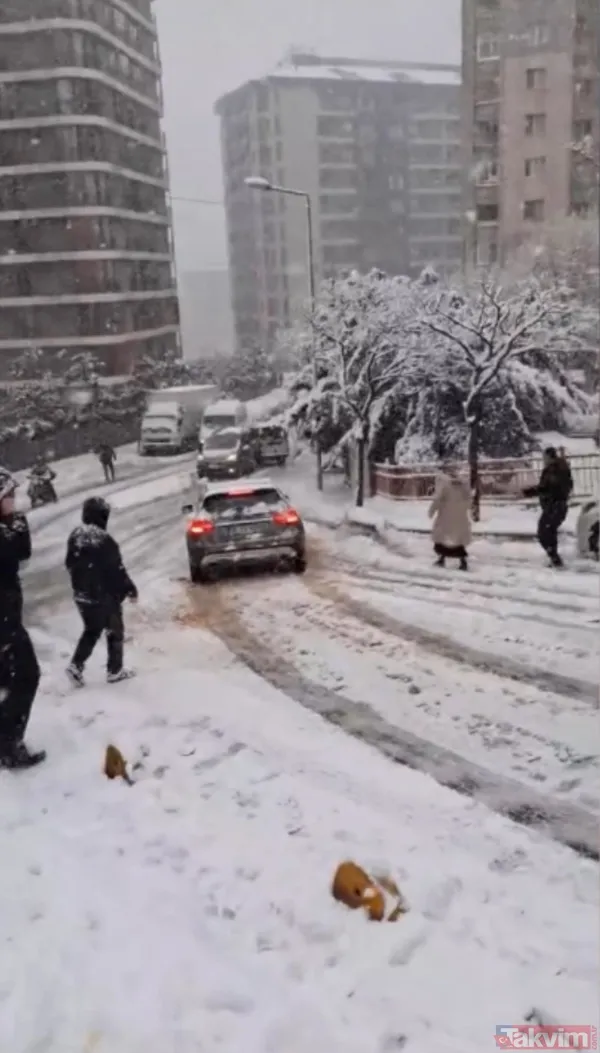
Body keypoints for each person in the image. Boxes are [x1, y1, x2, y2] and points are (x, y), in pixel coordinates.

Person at [65, 496, 138, 686]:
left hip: (82, 595)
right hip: (103, 595)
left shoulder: (75, 536)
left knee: (91, 630)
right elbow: (116, 569)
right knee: (114, 631)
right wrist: (129, 588)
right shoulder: (104, 540)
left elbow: (69, 563)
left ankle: (76, 664)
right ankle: (115, 670)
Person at [0, 467, 45, 769]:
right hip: (3, 625)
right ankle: (7, 743)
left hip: (7, 618)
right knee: (27, 675)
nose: (14, 501)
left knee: (10, 679)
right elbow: (19, 549)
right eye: (9, 496)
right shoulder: (5, 532)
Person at [522, 446, 571, 568]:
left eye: (544, 457)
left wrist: (528, 492)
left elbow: (546, 488)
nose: (543, 460)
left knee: (543, 532)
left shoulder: (552, 470)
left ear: (549, 457)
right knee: (550, 531)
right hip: (559, 505)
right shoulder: (562, 468)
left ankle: (555, 558)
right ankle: (554, 558)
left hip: (553, 506)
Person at [428, 464, 472, 571]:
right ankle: (462, 561)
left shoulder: (444, 484)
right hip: (460, 516)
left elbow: (437, 499)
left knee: (442, 538)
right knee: (458, 540)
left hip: (445, 516)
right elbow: (469, 499)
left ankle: (442, 559)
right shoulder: (463, 484)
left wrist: (431, 511)